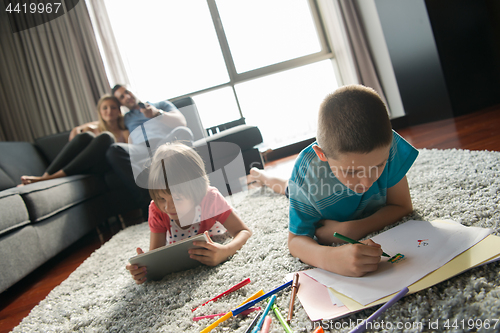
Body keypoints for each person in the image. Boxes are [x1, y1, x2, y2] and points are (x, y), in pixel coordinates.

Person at [249, 85, 419, 277]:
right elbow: (296, 240)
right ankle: (260, 175)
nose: (367, 181)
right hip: (298, 187)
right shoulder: (305, 178)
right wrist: (330, 257)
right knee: (285, 186)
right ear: (322, 155)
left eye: (379, 166)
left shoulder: (388, 144)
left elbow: (403, 206)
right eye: (352, 171)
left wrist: (350, 229)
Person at [126, 143, 252, 284]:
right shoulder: (156, 209)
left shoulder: (210, 198)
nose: (167, 207)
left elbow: (244, 231)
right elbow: (157, 254)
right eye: (161, 198)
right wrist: (143, 270)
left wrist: (225, 251)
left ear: (197, 191)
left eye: (177, 198)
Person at [106, 85, 194, 209]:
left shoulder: (161, 105)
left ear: (132, 90)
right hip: (140, 149)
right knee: (113, 150)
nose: (127, 96)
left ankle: (187, 191)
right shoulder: (125, 118)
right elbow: (105, 121)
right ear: (120, 103)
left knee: (183, 131)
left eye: (127, 92)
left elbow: (181, 122)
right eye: (121, 97)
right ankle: (146, 200)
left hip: (163, 143)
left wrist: (157, 114)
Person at [20, 95, 129, 185]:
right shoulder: (94, 129)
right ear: (100, 112)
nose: (109, 111)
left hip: (106, 166)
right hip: (86, 165)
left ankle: (46, 179)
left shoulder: (124, 132)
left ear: (119, 111)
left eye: (113, 107)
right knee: (86, 136)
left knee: (107, 137)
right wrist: (80, 129)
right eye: (105, 108)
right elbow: (78, 135)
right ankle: (45, 176)